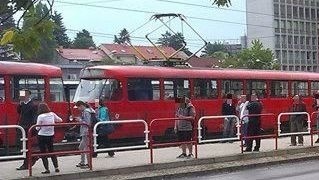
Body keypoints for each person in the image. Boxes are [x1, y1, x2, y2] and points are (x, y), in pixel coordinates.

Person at [36, 103, 62, 174]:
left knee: (43, 153)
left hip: (42, 136)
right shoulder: (52, 114)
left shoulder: (40, 116)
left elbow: (37, 127)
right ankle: (56, 167)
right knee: (52, 151)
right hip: (50, 135)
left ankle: (47, 169)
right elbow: (60, 120)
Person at [16, 89, 38, 170]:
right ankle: (33, 157)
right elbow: (19, 112)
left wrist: (32, 128)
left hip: (27, 128)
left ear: (27, 95)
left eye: (22, 95)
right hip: (22, 127)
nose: (21, 96)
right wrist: (20, 104)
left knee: (26, 146)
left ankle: (26, 164)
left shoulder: (33, 105)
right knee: (22, 145)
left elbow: (34, 118)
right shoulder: (22, 104)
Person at [74, 101, 94, 168]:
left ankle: (88, 164)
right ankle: (82, 162)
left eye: (78, 107)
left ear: (81, 106)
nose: (78, 109)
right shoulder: (89, 110)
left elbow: (87, 123)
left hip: (86, 132)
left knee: (86, 148)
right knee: (81, 147)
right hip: (85, 132)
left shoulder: (86, 112)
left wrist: (79, 120)